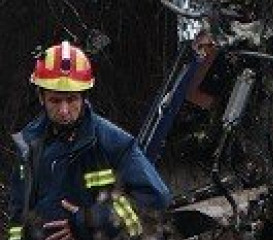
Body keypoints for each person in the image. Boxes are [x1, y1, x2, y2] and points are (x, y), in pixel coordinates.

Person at [7, 42, 170, 240]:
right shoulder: (28, 145)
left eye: (72, 99)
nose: (64, 111)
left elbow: (155, 197)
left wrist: (91, 220)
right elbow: (17, 217)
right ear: (41, 97)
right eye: (55, 100)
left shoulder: (112, 142)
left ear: (84, 97)